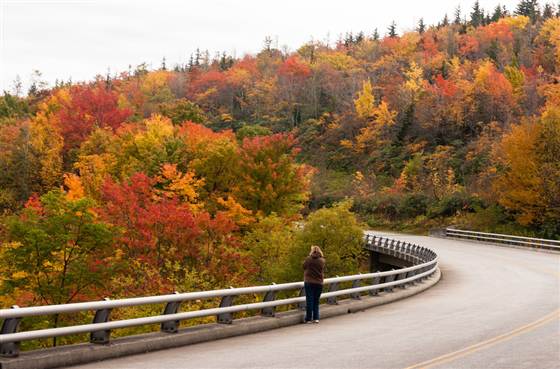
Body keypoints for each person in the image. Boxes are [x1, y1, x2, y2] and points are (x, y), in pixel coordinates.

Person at [303, 245, 325, 323]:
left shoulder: (308, 259)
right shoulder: (322, 260)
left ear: (312, 251)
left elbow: (303, 266)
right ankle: (316, 318)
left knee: (309, 300)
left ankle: (308, 318)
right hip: (319, 283)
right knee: (316, 301)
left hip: (309, 282)